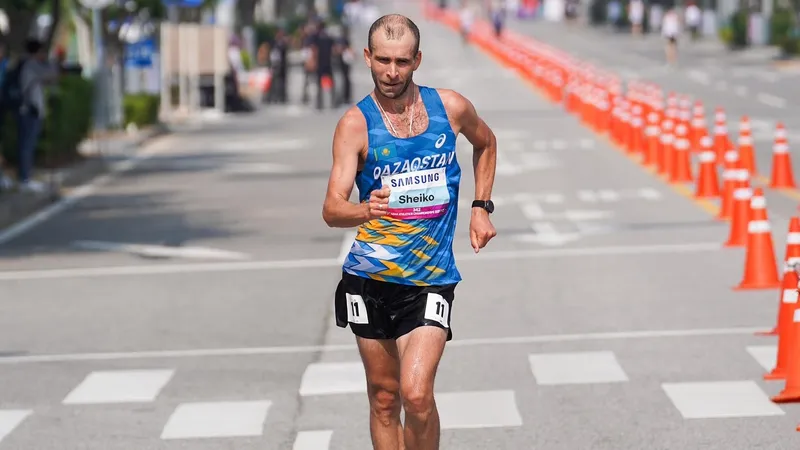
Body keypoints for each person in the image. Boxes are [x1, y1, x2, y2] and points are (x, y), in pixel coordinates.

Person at [321, 13, 497, 450]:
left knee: (416, 395)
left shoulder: (450, 108)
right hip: (370, 277)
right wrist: (364, 210)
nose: (391, 72)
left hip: (430, 277)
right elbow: (331, 209)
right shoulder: (355, 124)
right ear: (367, 57)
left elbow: (486, 143)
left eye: (402, 61)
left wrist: (480, 207)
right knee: (385, 398)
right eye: (383, 60)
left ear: (417, 60)